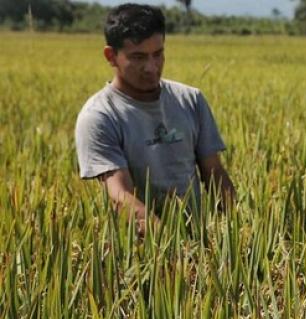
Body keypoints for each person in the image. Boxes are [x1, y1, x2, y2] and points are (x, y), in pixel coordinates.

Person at [75, 3, 235, 234]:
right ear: (111, 56)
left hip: (198, 239)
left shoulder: (190, 99)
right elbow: (120, 195)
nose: (151, 67)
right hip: (141, 250)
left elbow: (214, 173)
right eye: (138, 57)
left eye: (157, 54)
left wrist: (238, 233)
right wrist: (169, 245)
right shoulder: (100, 116)